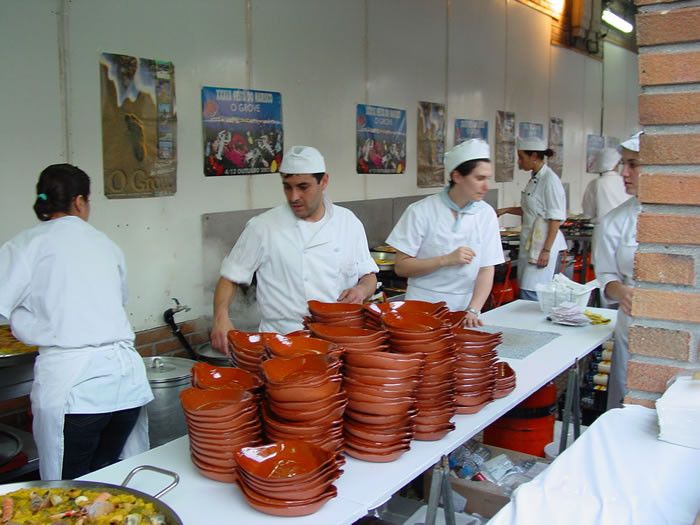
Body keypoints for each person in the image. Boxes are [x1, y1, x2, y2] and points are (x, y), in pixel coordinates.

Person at [0, 164, 153, 480]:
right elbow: (113, 302)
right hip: (126, 387)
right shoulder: (106, 245)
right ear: (80, 201)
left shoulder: (25, 244)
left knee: (72, 490)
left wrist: (22, 319)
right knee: (111, 480)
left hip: (77, 391)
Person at [211, 146, 378, 348]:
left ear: (324, 181)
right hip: (282, 343)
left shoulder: (348, 222)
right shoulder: (263, 226)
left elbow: (369, 276)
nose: (293, 196)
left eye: (303, 187)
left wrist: (361, 290)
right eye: (287, 186)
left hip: (339, 340)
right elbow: (230, 277)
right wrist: (221, 316)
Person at [386, 139, 504, 326]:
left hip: (465, 309)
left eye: (487, 178)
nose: (486, 186)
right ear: (457, 176)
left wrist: (473, 309)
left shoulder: (486, 214)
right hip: (422, 305)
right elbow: (401, 267)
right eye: (479, 178)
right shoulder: (421, 211)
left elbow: (486, 268)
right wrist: (444, 260)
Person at [593, 132, 643, 410]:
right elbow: (606, 277)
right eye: (623, 163)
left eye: (633, 164)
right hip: (631, 325)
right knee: (630, 402)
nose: (624, 172)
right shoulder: (615, 221)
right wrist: (621, 290)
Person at [497, 137, 567, 300]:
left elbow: (555, 218)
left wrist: (546, 250)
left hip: (542, 247)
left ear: (534, 156)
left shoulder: (550, 181)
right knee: (527, 291)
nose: (518, 162)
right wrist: (506, 210)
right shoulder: (535, 178)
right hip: (531, 243)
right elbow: (532, 210)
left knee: (532, 292)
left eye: (521, 157)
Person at [581, 147, 630, 223]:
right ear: (616, 164)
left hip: (601, 228)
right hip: (624, 225)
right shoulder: (627, 182)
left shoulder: (595, 183)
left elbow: (588, 214)